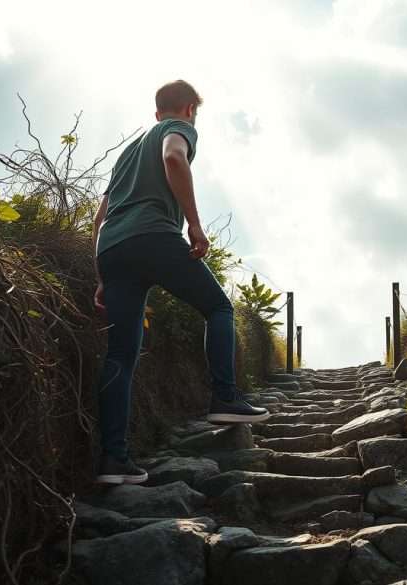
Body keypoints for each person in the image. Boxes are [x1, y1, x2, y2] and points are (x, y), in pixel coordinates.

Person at [91, 80, 270, 485]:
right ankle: (225, 396)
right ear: (189, 109)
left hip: (113, 251)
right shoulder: (179, 130)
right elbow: (174, 157)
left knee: (121, 356)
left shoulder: (125, 155)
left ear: (157, 111)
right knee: (218, 308)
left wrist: (102, 276)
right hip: (154, 236)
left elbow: (99, 218)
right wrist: (194, 223)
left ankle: (114, 459)